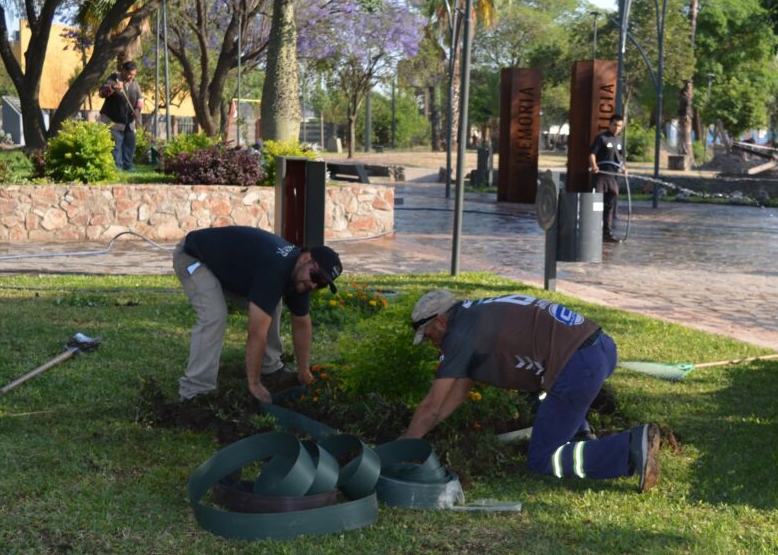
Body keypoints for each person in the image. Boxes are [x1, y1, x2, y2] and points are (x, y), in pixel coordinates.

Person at [403, 290, 660, 491]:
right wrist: (422, 433)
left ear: (440, 322)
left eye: (429, 336)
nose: (432, 343)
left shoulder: (458, 336)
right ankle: (580, 437)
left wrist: (404, 449)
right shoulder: (474, 315)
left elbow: (432, 406)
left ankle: (628, 448)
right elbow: (453, 396)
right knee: (536, 393)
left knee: (542, 460)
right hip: (598, 347)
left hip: (578, 366)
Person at [172, 226, 342, 404]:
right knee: (214, 315)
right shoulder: (276, 268)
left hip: (229, 265)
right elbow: (256, 334)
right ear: (306, 258)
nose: (314, 285)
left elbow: (302, 324)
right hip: (194, 257)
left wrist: (303, 370)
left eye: (321, 284)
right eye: (316, 277)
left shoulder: (302, 274)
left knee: (270, 302)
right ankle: (195, 392)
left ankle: (270, 369)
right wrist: (253, 384)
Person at [99, 61, 144, 171]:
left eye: (134, 75)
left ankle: (128, 165)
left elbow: (140, 99)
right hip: (113, 118)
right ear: (123, 70)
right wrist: (113, 87)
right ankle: (117, 167)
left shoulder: (134, 83)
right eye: (129, 74)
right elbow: (101, 93)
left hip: (129, 120)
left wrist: (137, 109)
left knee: (130, 143)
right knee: (116, 145)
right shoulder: (114, 78)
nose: (131, 77)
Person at [588, 114, 625, 244]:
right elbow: (592, 154)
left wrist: (624, 168)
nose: (617, 128)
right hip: (600, 178)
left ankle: (607, 233)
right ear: (610, 124)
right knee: (597, 206)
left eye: (619, 125)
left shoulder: (620, 140)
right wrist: (594, 166)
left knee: (609, 207)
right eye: (615, 125)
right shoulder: (602, 138)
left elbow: (620, 159)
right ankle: (593, 232)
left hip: (613, 179)